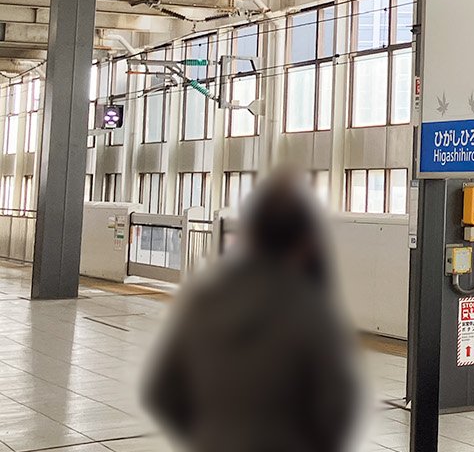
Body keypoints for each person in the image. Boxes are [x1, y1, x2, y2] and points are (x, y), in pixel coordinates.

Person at [143, 170, 362, 452]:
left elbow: (163, 392)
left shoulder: (205, 299)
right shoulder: (308, 312)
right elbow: (335, 409)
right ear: (305, 242)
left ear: (252, 235)